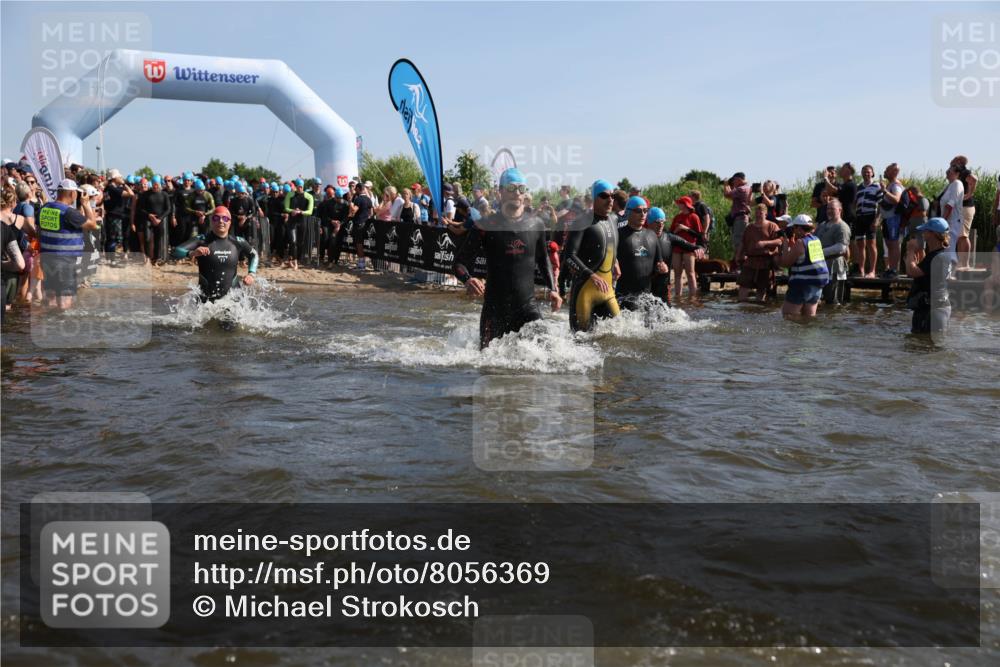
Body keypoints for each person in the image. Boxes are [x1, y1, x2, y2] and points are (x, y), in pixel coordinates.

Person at [452, 168, 561, 349]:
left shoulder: (536, 225)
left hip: (527, 308)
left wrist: (553, 289)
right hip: (495, 311)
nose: (516, 193)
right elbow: (458, 263)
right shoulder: (485, 225)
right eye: (511, 188)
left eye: (521, 188)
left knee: (549, 355)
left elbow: (543, 260)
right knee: (486, 367)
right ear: (500, 192)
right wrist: (468, 279)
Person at [563, 179, 621, 332]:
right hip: (585, 291)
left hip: (607, 290)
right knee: (581, 342)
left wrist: (615, 261)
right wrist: (592, 275)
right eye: (604, 196)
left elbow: (608, 247)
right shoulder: (582, 221)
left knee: (620, 336)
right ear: (594, 198)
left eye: (612, 196)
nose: (610, 200)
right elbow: (568, 255)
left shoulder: (614, 219)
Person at [172, 205, 258, 303]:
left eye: (225, 218)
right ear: (212, 221)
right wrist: (192, 253)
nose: (221, 221)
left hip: (234, 301)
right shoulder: (202, 240)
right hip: (206, 302)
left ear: (230, 222)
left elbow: (254, 255)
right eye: (216, 218)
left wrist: (251, 274)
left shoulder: (238, 241)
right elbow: (176, 251)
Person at [38, 179, 98, 309]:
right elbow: (93, 225)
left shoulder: (45, 208)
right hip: (64, 261)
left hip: (46, 258)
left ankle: (49, 325)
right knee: (65, 300)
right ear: (72, 193)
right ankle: (61, 325)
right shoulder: (69, 212)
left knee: (51, 297)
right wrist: (86, 204)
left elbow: (39, 231)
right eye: (76, 193)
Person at [615, 198, 668, 310]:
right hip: (625, 298)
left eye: (645, 210)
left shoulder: (652, 235)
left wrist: (661, 268)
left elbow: (659, 263)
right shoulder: (618, 235)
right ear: (628, 212)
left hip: (646, 297)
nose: (643, 214)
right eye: (638, 211)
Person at [904, 217, 952, 336]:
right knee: (924, 345)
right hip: (935, 306)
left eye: (925, 231)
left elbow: (911, 272)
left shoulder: (937, 257)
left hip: (933, 309)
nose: (923, 233)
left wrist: (910, 250)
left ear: (933, 234)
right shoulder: (940, 254)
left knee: (926, 345)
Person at [777, 214, 830, 320]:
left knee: (788, 317)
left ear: (799, 228)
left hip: (801, 285)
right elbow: (806, 259)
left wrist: (786, 244)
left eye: (794, 228)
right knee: (808, 320)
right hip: (817, 286)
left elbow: (785, 263)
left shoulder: (800, 242)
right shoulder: (816, 240)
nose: (793, 231)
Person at [737, 204, 782, 303]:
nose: (758, 215)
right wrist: (738, 255)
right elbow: (742, 243)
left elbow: (779, 241)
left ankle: (758, 311)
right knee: (743, 286)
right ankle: (741, 311)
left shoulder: (772, 226)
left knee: (761, 289)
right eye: (756, 213)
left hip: (765, 261)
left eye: (760, 213)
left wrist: (765, 243)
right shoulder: (749, 227)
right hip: (750, 261)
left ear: (765, 213)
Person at [815, 198, 853, 306]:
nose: (829, 211)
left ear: (840, 210)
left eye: (832, 208)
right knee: (819, 300)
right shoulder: (822, 225)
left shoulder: (842, 226)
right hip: (821, 265)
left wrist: (819, 253)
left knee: (833, 302)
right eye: (828, 208)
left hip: (835, 266)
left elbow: (841, 247)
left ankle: (834, 322)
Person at [670, 195, 703, 301]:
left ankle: (693, 298)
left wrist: (685, 228)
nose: (678, 204)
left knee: (690, 273)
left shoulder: (694, 216)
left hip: (689, 248)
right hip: (676, 249)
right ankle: (678, 297)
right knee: (677, 273)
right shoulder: (677, 217)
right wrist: (676, 231)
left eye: (679, 202)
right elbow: (670, 233)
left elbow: (698, 235)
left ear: (685, 204)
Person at [852, 165, 883, 278]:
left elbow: (880, 205)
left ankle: (872, 271)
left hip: (871, 217)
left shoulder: (877, 186)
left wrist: (877, 220)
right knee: (860, 244)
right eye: (864, 172)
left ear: (872, 173)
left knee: (871, 244)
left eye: (868, 172)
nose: (866, 174)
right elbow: (855, 202)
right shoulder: (859, 187)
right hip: (860, 217)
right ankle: (861, 270)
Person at [134, 175, 171, 264]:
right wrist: (149, 215)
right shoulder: (146, 194)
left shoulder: (164, 194)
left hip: (159, 220)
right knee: (147, 238)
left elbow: (168, 209)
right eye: (154, 184)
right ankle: (147, 258)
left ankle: (155, 259)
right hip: (148, 219)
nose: (156, 186)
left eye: (157, 184)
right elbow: (140, 208)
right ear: (152, 184)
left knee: (158, 240)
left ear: (160, 184)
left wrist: (160, 219)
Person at [2, 188, 27, 315]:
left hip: (2, 260)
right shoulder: (20, 219)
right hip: (13, 263)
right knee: (7, 304)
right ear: (13, 203)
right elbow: (33, 233)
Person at [951, 156, 978, 269]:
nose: (951, 162)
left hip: (966, 208)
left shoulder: (964, 171)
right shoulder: (960, 172)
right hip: (962, 208)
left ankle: (965, 264)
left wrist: (969, 194)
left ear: (959, 162)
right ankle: (962, 263)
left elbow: (974, 179)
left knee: (963, 236)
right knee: (960, 236)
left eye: (953, 161)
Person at [879, 163, 905, 277]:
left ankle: (894, 270)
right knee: (889, 244)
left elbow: (897, 200)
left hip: (894, 218)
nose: (884, 171)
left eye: (887, 170)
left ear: (894, 172)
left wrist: (885, 191)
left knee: (894, 244)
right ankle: (890, 268)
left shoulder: (895, 185)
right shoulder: (890, 185)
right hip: (887, 218)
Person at [283, 178, 314, 270]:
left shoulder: (309, 196)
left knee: (300, 243)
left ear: (303, 186)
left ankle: (291, 258)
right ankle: (295, 262)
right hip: (292, 222)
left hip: (302, 221)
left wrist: (301, 212)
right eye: (298, 186)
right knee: (293, 242)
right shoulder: (290, 194)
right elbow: (286, 207)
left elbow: (310, 211)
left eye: (301, 186)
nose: (299, 188)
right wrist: (292, 211)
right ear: (295, 186)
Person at [102, 169, 134, 255]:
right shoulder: (113, 189)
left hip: (110, 215)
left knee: (110, 238)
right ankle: (112, 259)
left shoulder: (107, 188)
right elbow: (131, 194)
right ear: (114, 178)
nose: (121, 177)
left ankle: (109, 258)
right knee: (115, 238)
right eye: (119, 176)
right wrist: (124, 184)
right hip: (115, 216)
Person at [939, 164, 965, 269]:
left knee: (949, 247)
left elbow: (951, 204)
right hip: (948, 221)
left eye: (950, 171)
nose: (947, 172)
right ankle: (948, 273)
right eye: (947, 170)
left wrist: (942, 220)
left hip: (952, 221)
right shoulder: (950, 185)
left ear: (957, 174)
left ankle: (950, 273)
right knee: (947, 247)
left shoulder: (957, 184)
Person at [723, 172, 752, 266]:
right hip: (741, 218)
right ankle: (740, 263)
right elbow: (732, 197)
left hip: (740, 219)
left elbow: (727, 195)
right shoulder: (747, 188)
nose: (733, 182)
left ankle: (739, 264)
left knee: (738, 242)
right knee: (741, 241)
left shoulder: (741, 189)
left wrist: (726, 184)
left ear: (739, 179)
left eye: (734, 180)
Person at [349, 181, 374, 269]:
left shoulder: (358, 199)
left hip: (359, 224)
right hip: (366, 225)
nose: (355, 190)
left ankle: (361, 264)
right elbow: (371, 213)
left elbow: (354, 210)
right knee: (363, 244)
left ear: (359, 189)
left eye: (356, 189)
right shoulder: (368, 199)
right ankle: (362, 263)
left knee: (359, 244)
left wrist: (351, 203)